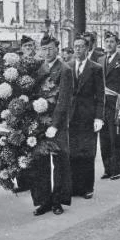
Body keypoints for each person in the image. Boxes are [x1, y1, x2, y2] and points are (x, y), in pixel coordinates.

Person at [31, 35, 74, 216]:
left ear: (57, 49)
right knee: (40, 162)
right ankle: (44, 200)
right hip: (40, 122)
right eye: (43, 49)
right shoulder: (38, 68)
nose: (46, 52)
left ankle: (57, 201)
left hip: (57, 123)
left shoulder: (64, 70)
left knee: (59, 161)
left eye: (50, 49)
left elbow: (64, 100)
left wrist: (55, 125)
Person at [67, 35, 104, 199]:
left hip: (88, 116)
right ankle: (75, 186)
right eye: (75, 46)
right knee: (73, 151)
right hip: (72, 116)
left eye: (81, 46)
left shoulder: (95, 68)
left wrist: (99, 117)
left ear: (88, 49)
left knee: (87, 152)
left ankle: (88, 187)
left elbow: (100, 95)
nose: (77, 49)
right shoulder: (67, 66)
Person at [99, 31, 120, 180]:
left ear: (117, 44)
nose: (109, 44)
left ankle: (117, 169)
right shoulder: (100, 60)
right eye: (106, 42)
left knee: (115, 137)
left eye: (112, 42)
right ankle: (107, 168)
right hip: (102, 103)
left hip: (116, 103)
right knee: (104, 137)